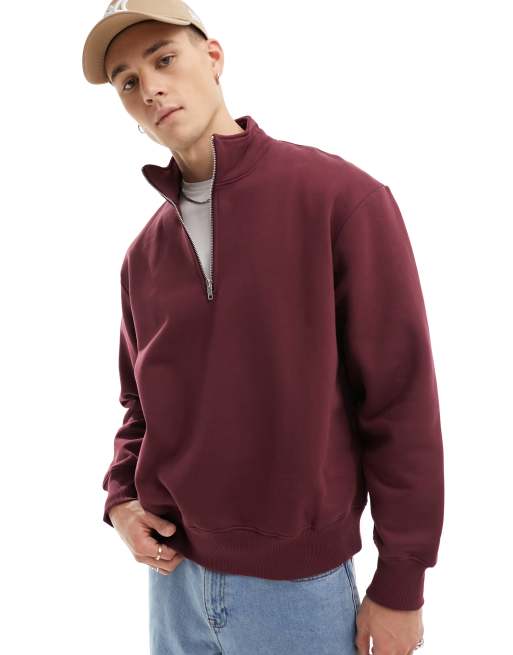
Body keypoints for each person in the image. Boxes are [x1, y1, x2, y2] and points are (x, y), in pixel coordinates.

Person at [82, 2, 444, 653]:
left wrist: (402, 581)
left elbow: (399, 398)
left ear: (213, 57)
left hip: (297, 592)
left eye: (164, 59)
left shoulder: (340, 200)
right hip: (173, 585)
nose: (150, 88)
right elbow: (139, 406)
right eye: (128, 81)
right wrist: (120, 500)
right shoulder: (142, 257)